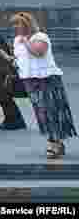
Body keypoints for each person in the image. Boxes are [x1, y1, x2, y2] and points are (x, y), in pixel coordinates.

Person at [10, 12, 75, 160]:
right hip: (30, 81)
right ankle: (55, 142)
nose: (15, 27)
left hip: (46, 80)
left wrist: (25, 42)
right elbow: (22, 57)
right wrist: (14, 61)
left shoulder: (40, 37)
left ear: (27, 24)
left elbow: (38, 52)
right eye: (13, 24)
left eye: (17, 24)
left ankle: (54, 143)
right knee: (42, 114)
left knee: (52, 111)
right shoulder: (17, 40)